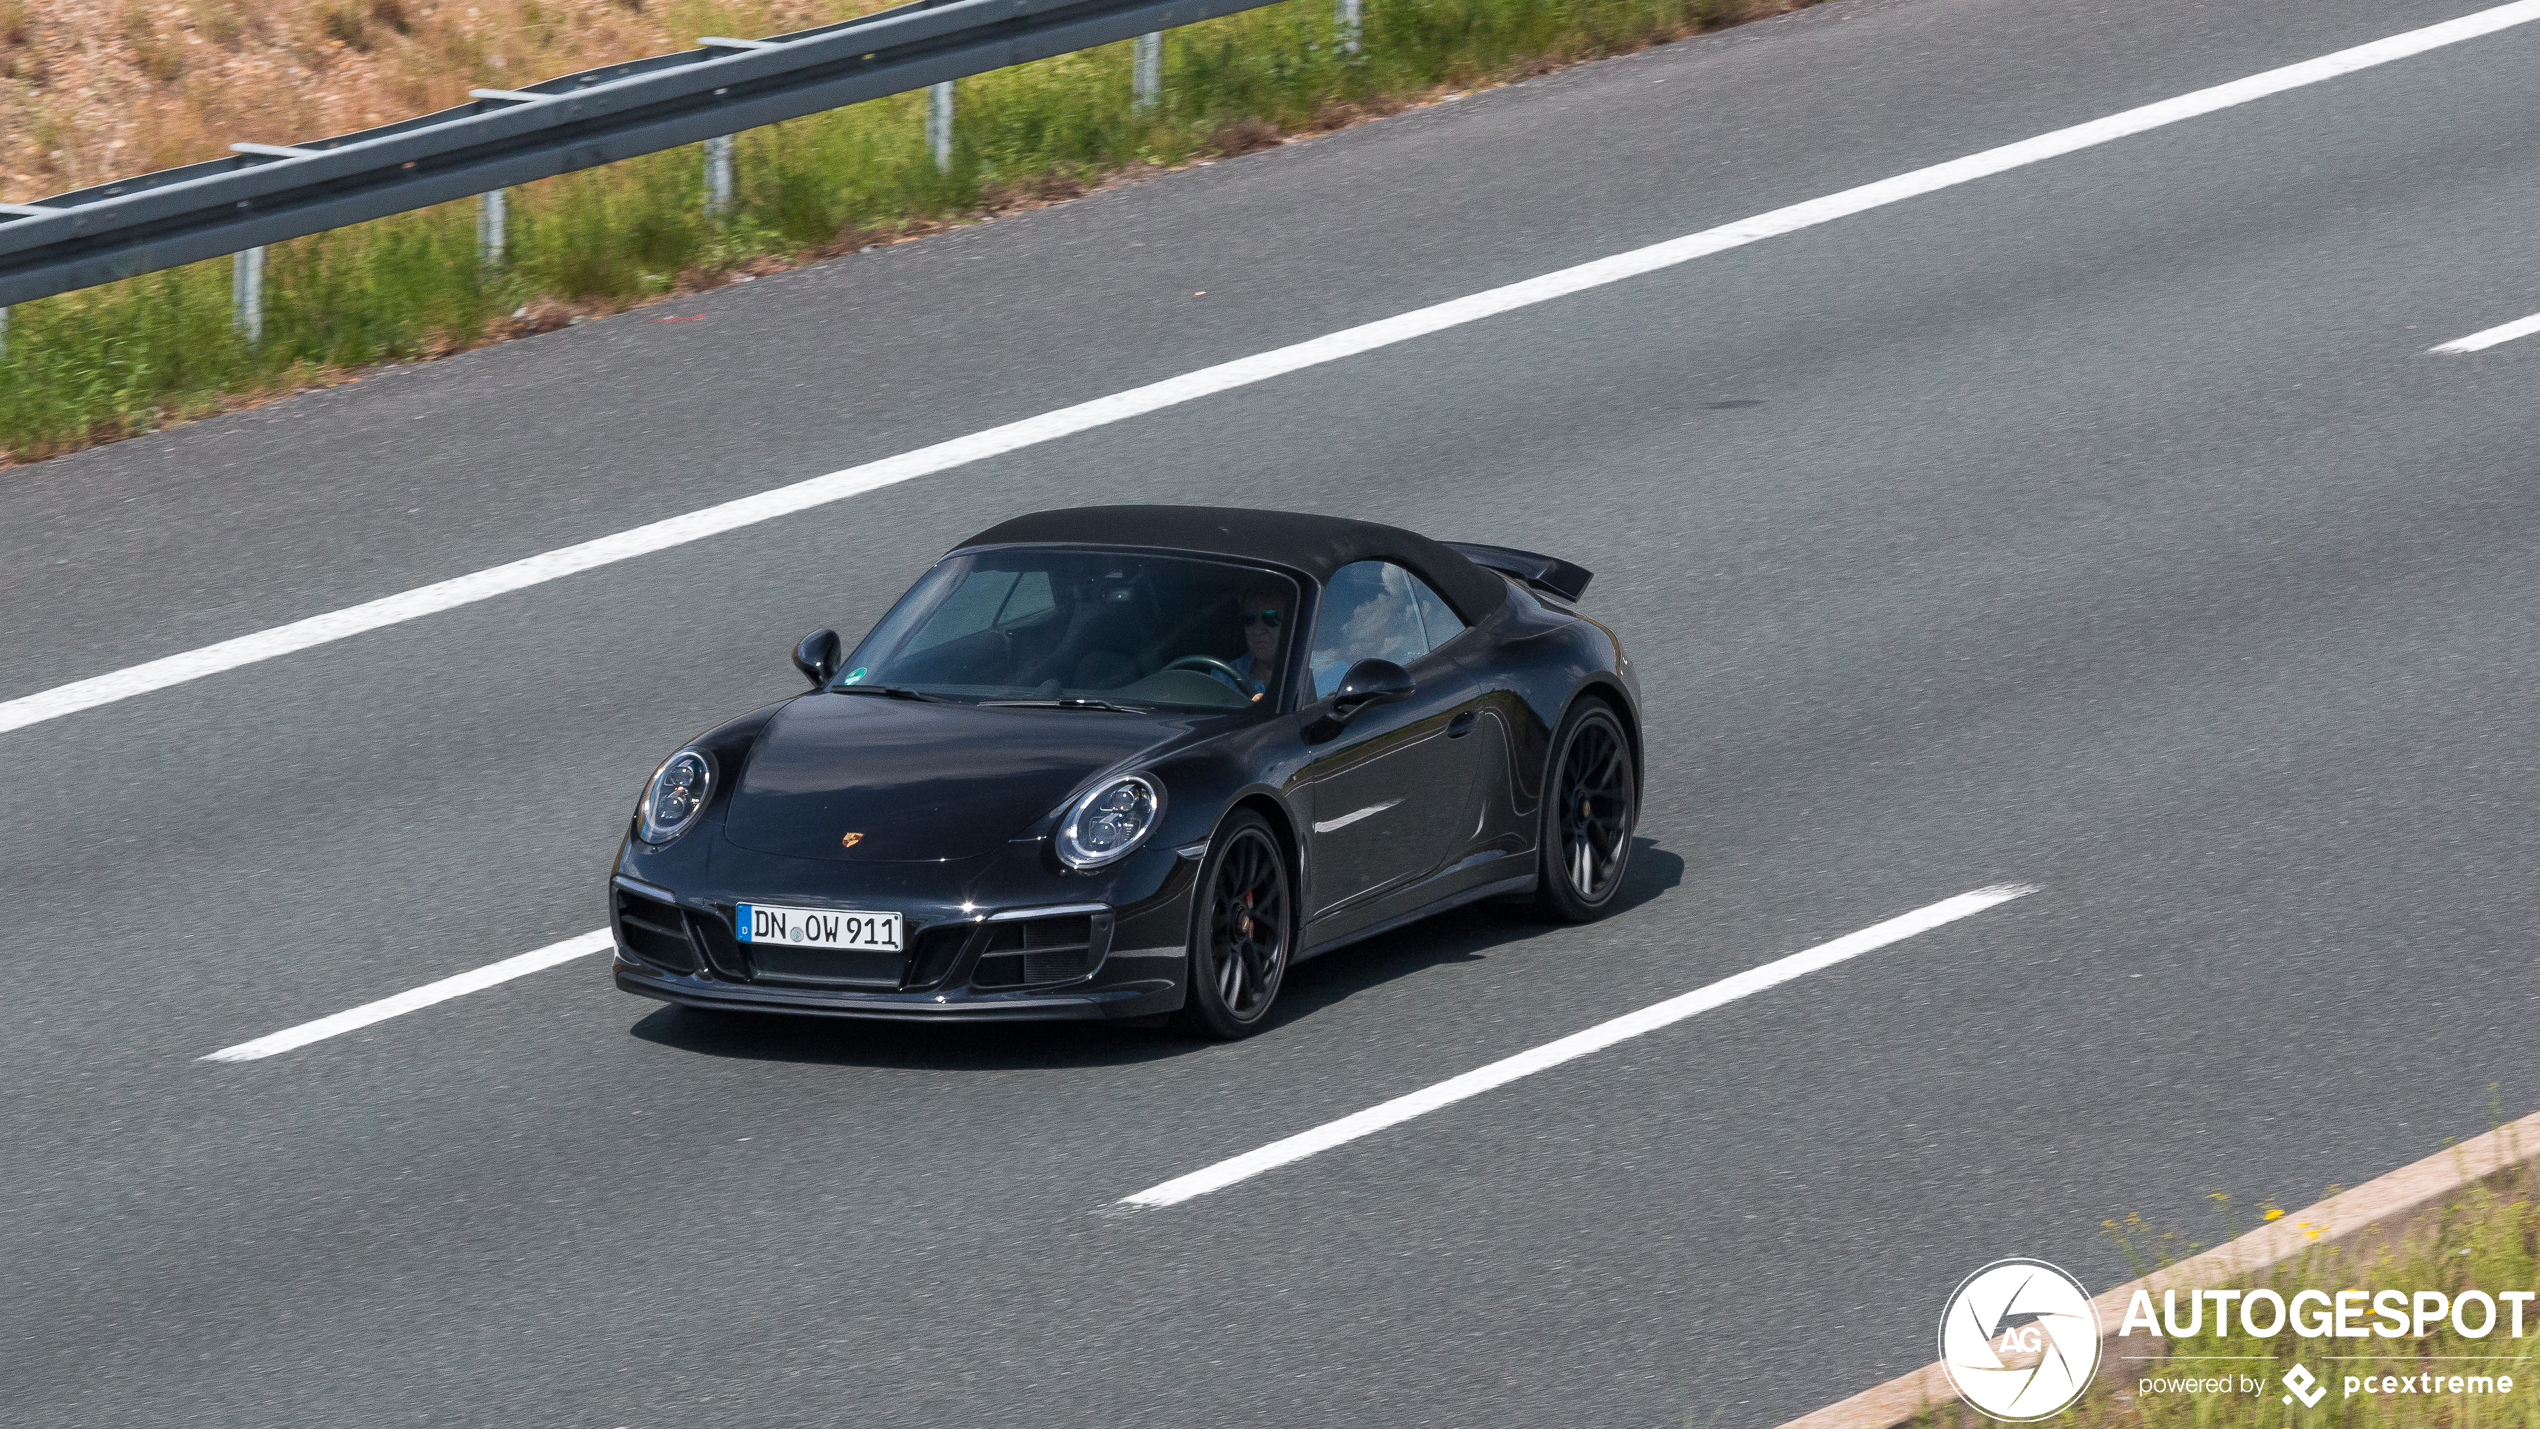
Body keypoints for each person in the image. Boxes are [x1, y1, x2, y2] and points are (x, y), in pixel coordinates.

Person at [1208, 579, 1289, 702]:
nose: (1257, 629)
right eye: (1249, 619)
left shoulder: (1314, 671)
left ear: (1291, 623)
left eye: (1270, 618)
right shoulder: (1223, 677)